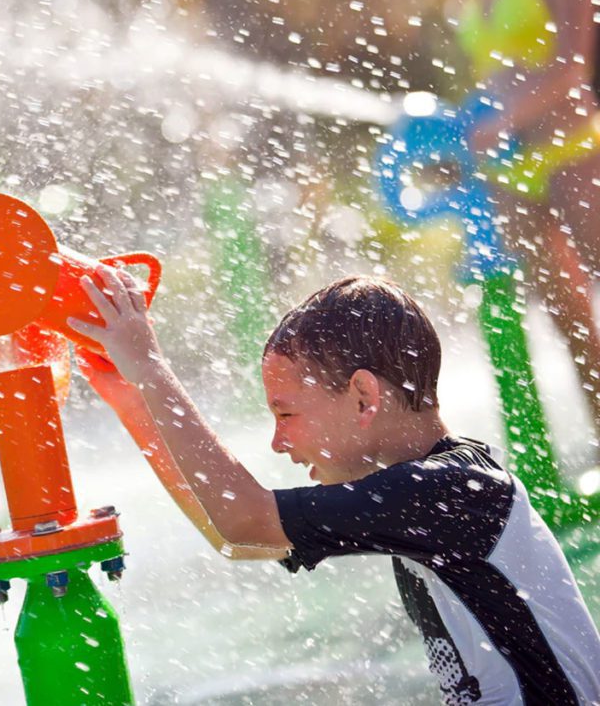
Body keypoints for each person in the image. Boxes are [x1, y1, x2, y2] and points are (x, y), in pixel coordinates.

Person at [69, 269, 600, 702]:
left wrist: (152, 370)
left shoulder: (451, 492)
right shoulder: (427, 494)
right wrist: (137, 403)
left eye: (286, 413)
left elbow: (244, 519)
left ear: (364, 396)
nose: (279, 442)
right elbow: (238, 538)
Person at [453, 0, 600, 436]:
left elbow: (571, 66)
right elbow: (488, 78)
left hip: (573, 152)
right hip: (511, 173)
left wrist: (508, 117)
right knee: (569, 321)